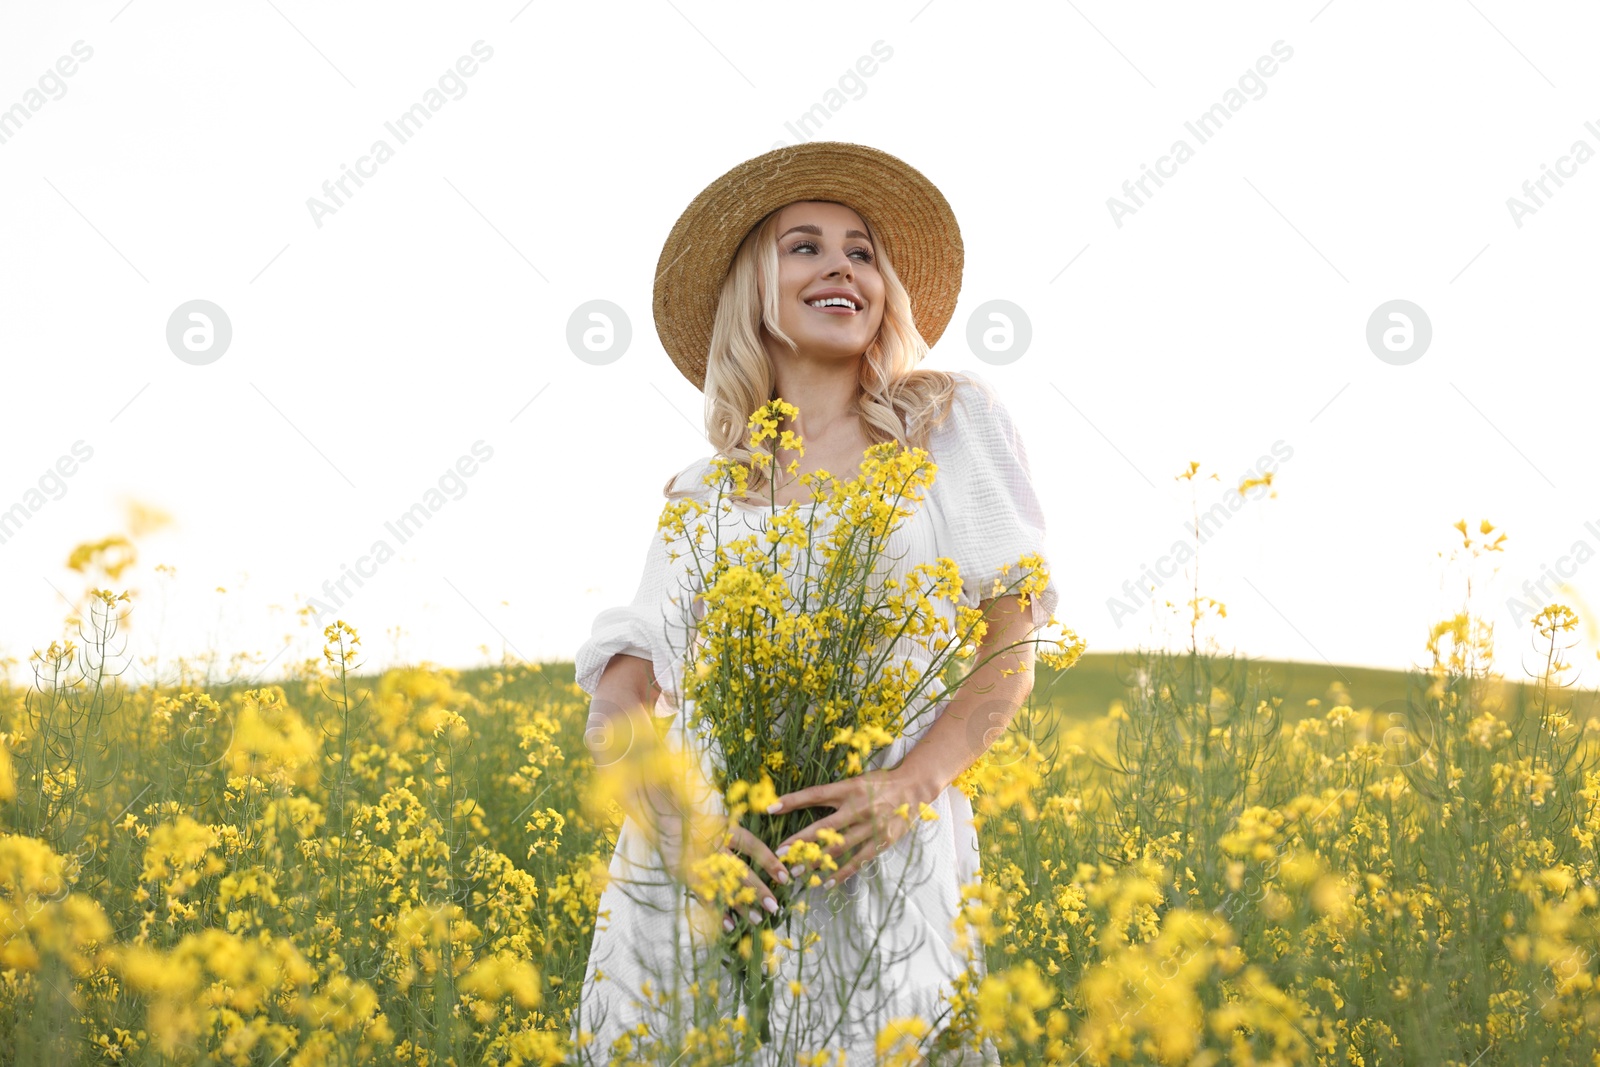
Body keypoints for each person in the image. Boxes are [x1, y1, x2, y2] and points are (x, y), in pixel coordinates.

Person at [569, 141, 1061, 1066]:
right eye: (805, 246)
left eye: (863, 252)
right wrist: (686, 836)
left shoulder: (948, 422)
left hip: (874, 853)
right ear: (754, 290)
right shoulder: (700, 494)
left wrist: (910, 786)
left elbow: (1013, 637)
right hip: (703, 877)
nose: (842, 265)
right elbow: (621, 698)